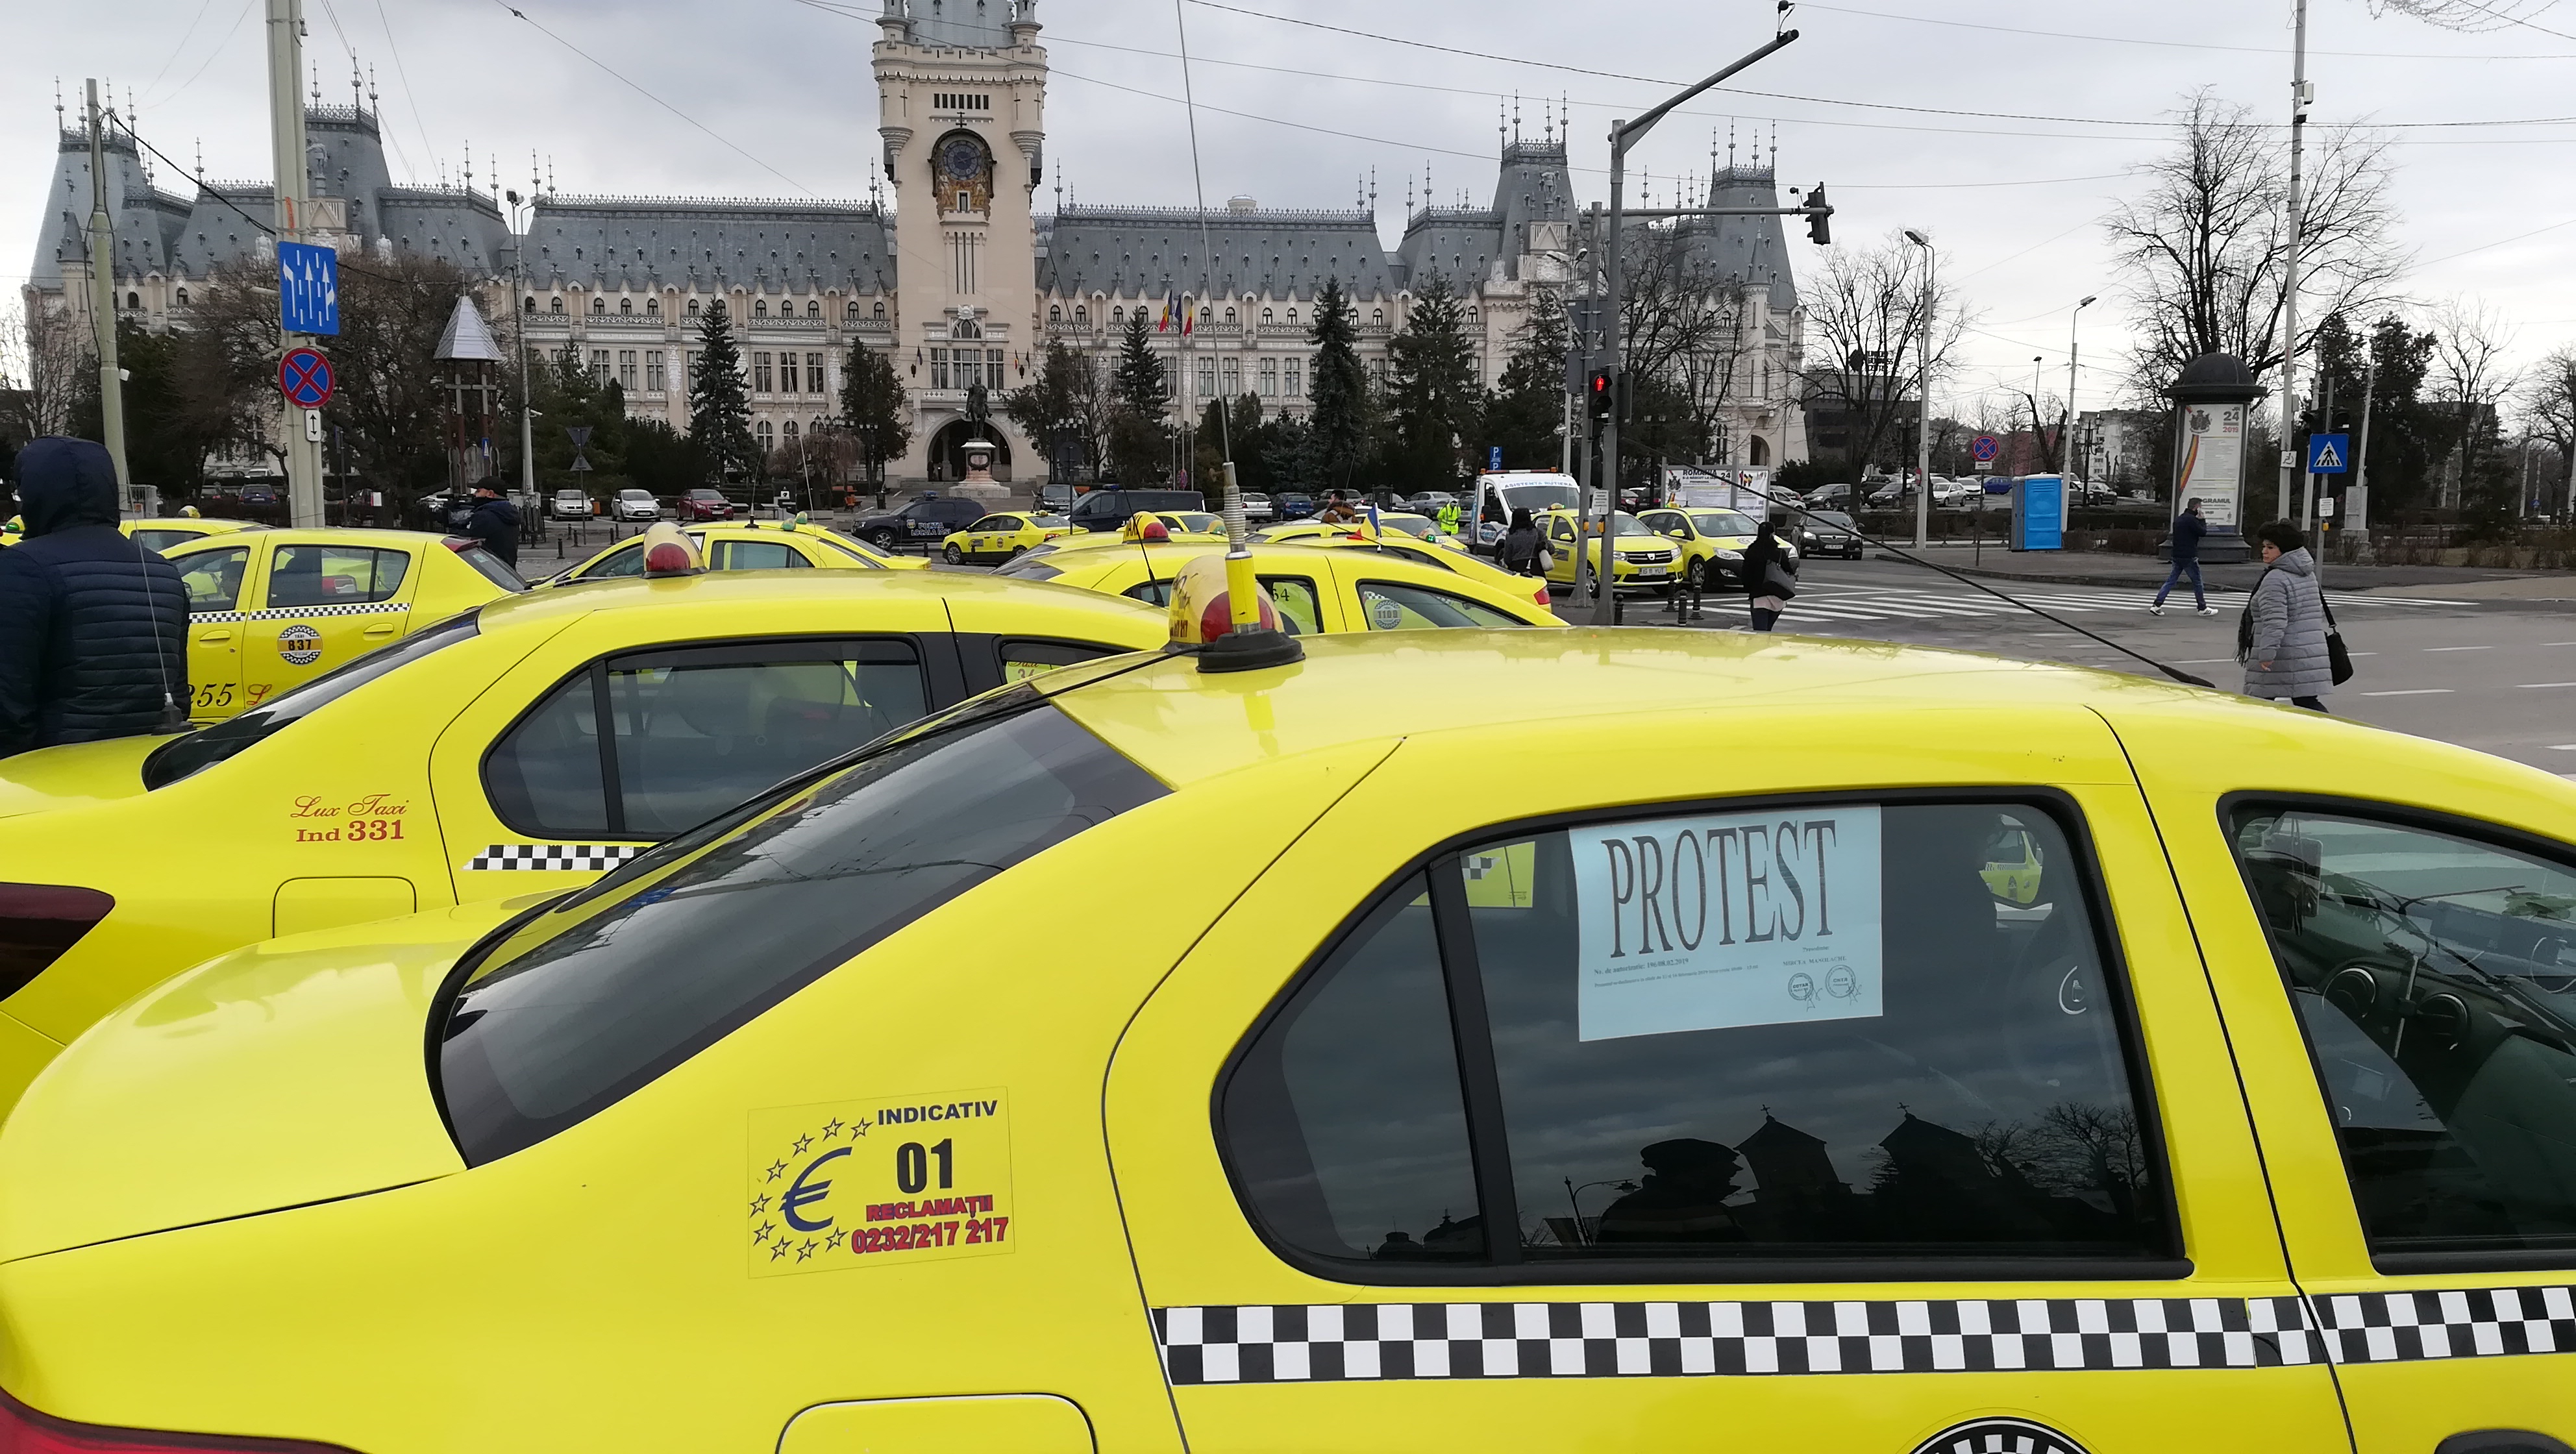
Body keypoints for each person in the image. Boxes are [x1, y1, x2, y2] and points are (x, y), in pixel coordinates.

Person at [0, 437, 188, 758]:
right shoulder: (162, 571)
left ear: (34, 494)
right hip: (151, 767)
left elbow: (8, 702)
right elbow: (178, 694)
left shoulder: (21, 567)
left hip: (56, 772)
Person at [2240, 519, 2332, 712]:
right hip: (2308, 650)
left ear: (2286, 550)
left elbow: (2275, 621)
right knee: (2307, 703)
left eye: (2271, 547)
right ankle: (2333, 729)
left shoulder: (2275, 578)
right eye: (2264, 546)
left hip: (2282, 655)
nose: (2264, 551)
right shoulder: (2306, 573)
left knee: (2258, 705)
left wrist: (2266, 655)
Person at [2149, 498, 2215, 617]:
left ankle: (2157, 604)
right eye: (2200, 506)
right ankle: (2202, 608)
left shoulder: (2179, 519)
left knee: (2171, 580)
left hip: (2177, 554)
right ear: (2196, 507)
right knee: (2197, 582)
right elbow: (2203, 532)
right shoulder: (2192, 520)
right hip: (2189, 555)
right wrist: (2202, 520)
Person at [1740, 518, 1796, 632]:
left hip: (1758, 597)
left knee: (1760, 632)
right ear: (1772, 534)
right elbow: (1789, 571)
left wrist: (1749, 589)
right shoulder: (1779, 553)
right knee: (1768, 630)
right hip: (1777, 596)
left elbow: (1745, 575)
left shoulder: (1751, 552)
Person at [463, 478, 521, 568]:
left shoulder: (484, 515)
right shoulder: (508, 512)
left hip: (486, 567)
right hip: (506, 568)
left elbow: (467, 540)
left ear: (490, 494)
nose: (474, 495)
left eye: (478, 491)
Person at [1496, 507, 1546, 576]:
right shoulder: (1539, 533)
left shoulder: (1511, 535)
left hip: (1516, 571)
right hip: (1536, 570)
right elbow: (1552, 549)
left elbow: (1507, 559)